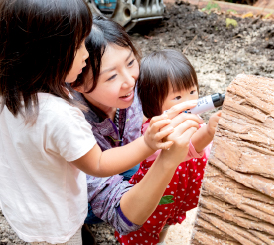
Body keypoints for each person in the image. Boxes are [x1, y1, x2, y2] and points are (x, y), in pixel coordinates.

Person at [0, 1, 202, 244]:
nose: (130, 82)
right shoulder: (63, 118)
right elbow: (98, 164)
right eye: (79, 47)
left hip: (27, 209)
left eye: (130, 62)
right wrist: (157, 152)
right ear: (77, 82)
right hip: (60, 219)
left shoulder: (14, 91)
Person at [114, 49, 222, 245]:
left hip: (180, 189)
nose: (189, 101)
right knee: (151, 223)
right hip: (161, 192)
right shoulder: (156, 132)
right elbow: (189, 147)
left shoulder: (188, 117)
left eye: (192, 91)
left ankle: (161, 239)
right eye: (177, 98)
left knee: (167, 221)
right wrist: (207, 133)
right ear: (152, 102)